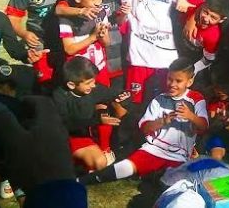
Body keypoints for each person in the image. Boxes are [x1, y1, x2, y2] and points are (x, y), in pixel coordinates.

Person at [78, 58, 208, 185]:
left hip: (180, 156)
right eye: (170, 79)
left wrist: (191, 116)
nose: (172, 84)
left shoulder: (196, 99)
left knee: (174, 182)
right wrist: (162, 121)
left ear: (189, 82)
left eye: (178, 81)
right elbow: (144, 128)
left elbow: (204, 127)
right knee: (126, 167)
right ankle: (84, 180)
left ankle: (155, 176)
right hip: (154, 149)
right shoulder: (158, 100)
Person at [52, 57, 129, 171]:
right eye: (88, 83)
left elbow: (112, 93)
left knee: (100, 162)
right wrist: (97, 120)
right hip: (67, 138)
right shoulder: (59, 96)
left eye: (94, 81)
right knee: (96, 162)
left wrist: (122, 95)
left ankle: (113, 149)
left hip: (85, 137)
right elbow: (65, 124)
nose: (93, 85)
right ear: (71, 85)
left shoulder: (93, 89)